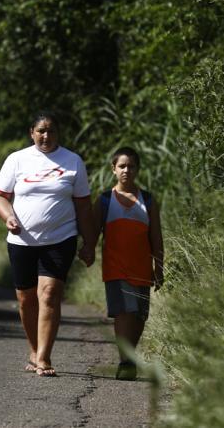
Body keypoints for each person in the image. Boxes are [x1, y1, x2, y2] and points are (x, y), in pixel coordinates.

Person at [0, 111, 97, 377]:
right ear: (32, 133)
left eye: (51, 131)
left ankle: (44, 358)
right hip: (21, 240)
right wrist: (9, 216)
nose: (46, 136)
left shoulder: (73, 162)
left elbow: (83, 206)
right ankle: (33, 348)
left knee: (49, 294)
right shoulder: (17, 160)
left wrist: (89, 242)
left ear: (58, 133)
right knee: (26, 299)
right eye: (41, 131)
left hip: (60, 238)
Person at [93, 146, 164, 380]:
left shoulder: (148, 200)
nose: (126, 170)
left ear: (137, 169)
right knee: (124, 313)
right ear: (113, 169)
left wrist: (159, 268)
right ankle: (126, 362)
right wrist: (86, 250)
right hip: (115, 268)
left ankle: (129, 356)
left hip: (141, 268)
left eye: (131, 166)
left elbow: (156, 237)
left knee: (139, 316)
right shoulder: (104, 200)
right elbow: (93, 233)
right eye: (122, 166)